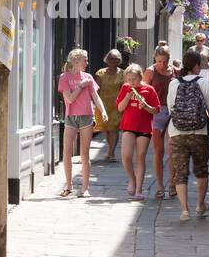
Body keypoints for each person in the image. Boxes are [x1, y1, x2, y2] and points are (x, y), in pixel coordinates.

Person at [168, 48, 209, 221]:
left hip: (177, 133)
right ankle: (200, 205)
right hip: (200, 132)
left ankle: (184, 210)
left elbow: (171, 109)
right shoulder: (204, 83)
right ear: (197, 66)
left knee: (180, 172)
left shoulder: (174, 84)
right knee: (201, 170)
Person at [57, 48, 107, 198]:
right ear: (75, 61)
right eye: (85, 60)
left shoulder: (88, 77)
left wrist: (103, 111)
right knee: (67, 152)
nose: (87, 62)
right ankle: (69, 185)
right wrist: (81, 85)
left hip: (86, 116)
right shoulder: (64, 77)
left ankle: (85, 189)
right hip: (71, 117)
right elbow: (70, 99)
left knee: (85, 154)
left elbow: (95, 96)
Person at [116, 64, 159, 200]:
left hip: (144, 128)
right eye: (129, 79)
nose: (131, 82)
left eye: (134, 79)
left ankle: (139, 189)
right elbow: (120, 108)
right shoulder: (125, 88)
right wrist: (128, 97)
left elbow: (156, 110)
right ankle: (132, 179)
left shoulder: (149, 89)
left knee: (140, 157)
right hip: (128, 126)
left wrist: (145, 106)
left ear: (140, 77)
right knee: (126, 156)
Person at [144, 46, 175, 198]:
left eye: (165, 61)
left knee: (172, 151)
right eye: (159, 61)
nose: (162, 64)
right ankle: (160, 186)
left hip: (172, 112)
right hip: (156, 113)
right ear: (155, 58)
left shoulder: (175, 71)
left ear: (169, 59)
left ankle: (173, 185)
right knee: (158, 151)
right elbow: (144, 91)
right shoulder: (150, 71)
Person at [93, 49, 125, 160]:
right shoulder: (100, 73)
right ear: (107, 59)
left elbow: (125, 89)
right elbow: (96, 89)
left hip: (116, 105)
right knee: (106, 128)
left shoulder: (123, 74)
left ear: (119, 60)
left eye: (116, 59)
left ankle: (111, 153)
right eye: (111, 58)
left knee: (114, 129)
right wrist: (94, 103)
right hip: (103, 105)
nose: (113, 61)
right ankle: (110, 149)